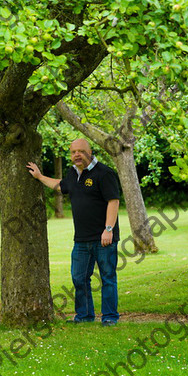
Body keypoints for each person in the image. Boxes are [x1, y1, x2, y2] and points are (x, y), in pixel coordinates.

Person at [27, 138, 120, 326]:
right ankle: (85, 316)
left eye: (80, 151)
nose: (76, 155)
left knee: (107, 278)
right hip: (81, 240)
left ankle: (110, 317)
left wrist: (108, 229)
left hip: (104, 238)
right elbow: (61, 185)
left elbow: (113, 201)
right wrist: (39, 177)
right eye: (73, 152)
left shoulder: (105, 173)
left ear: (90, 152)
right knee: (79, 278)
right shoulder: (73, 174)